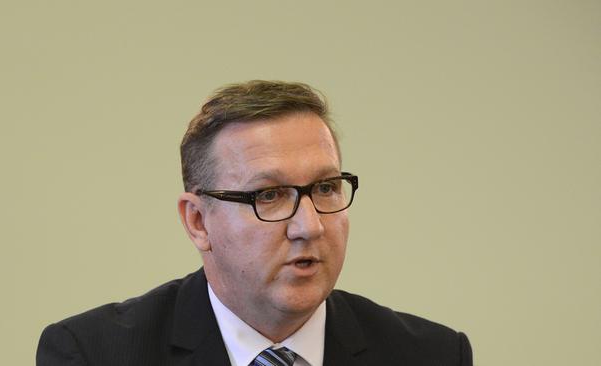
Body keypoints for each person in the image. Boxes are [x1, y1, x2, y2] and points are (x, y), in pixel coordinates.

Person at [37, 80, 473, 366]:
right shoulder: (92, 355)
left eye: (325, 188)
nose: (310, 226)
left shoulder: (430, 355)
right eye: (269, 195)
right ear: (197, 222)